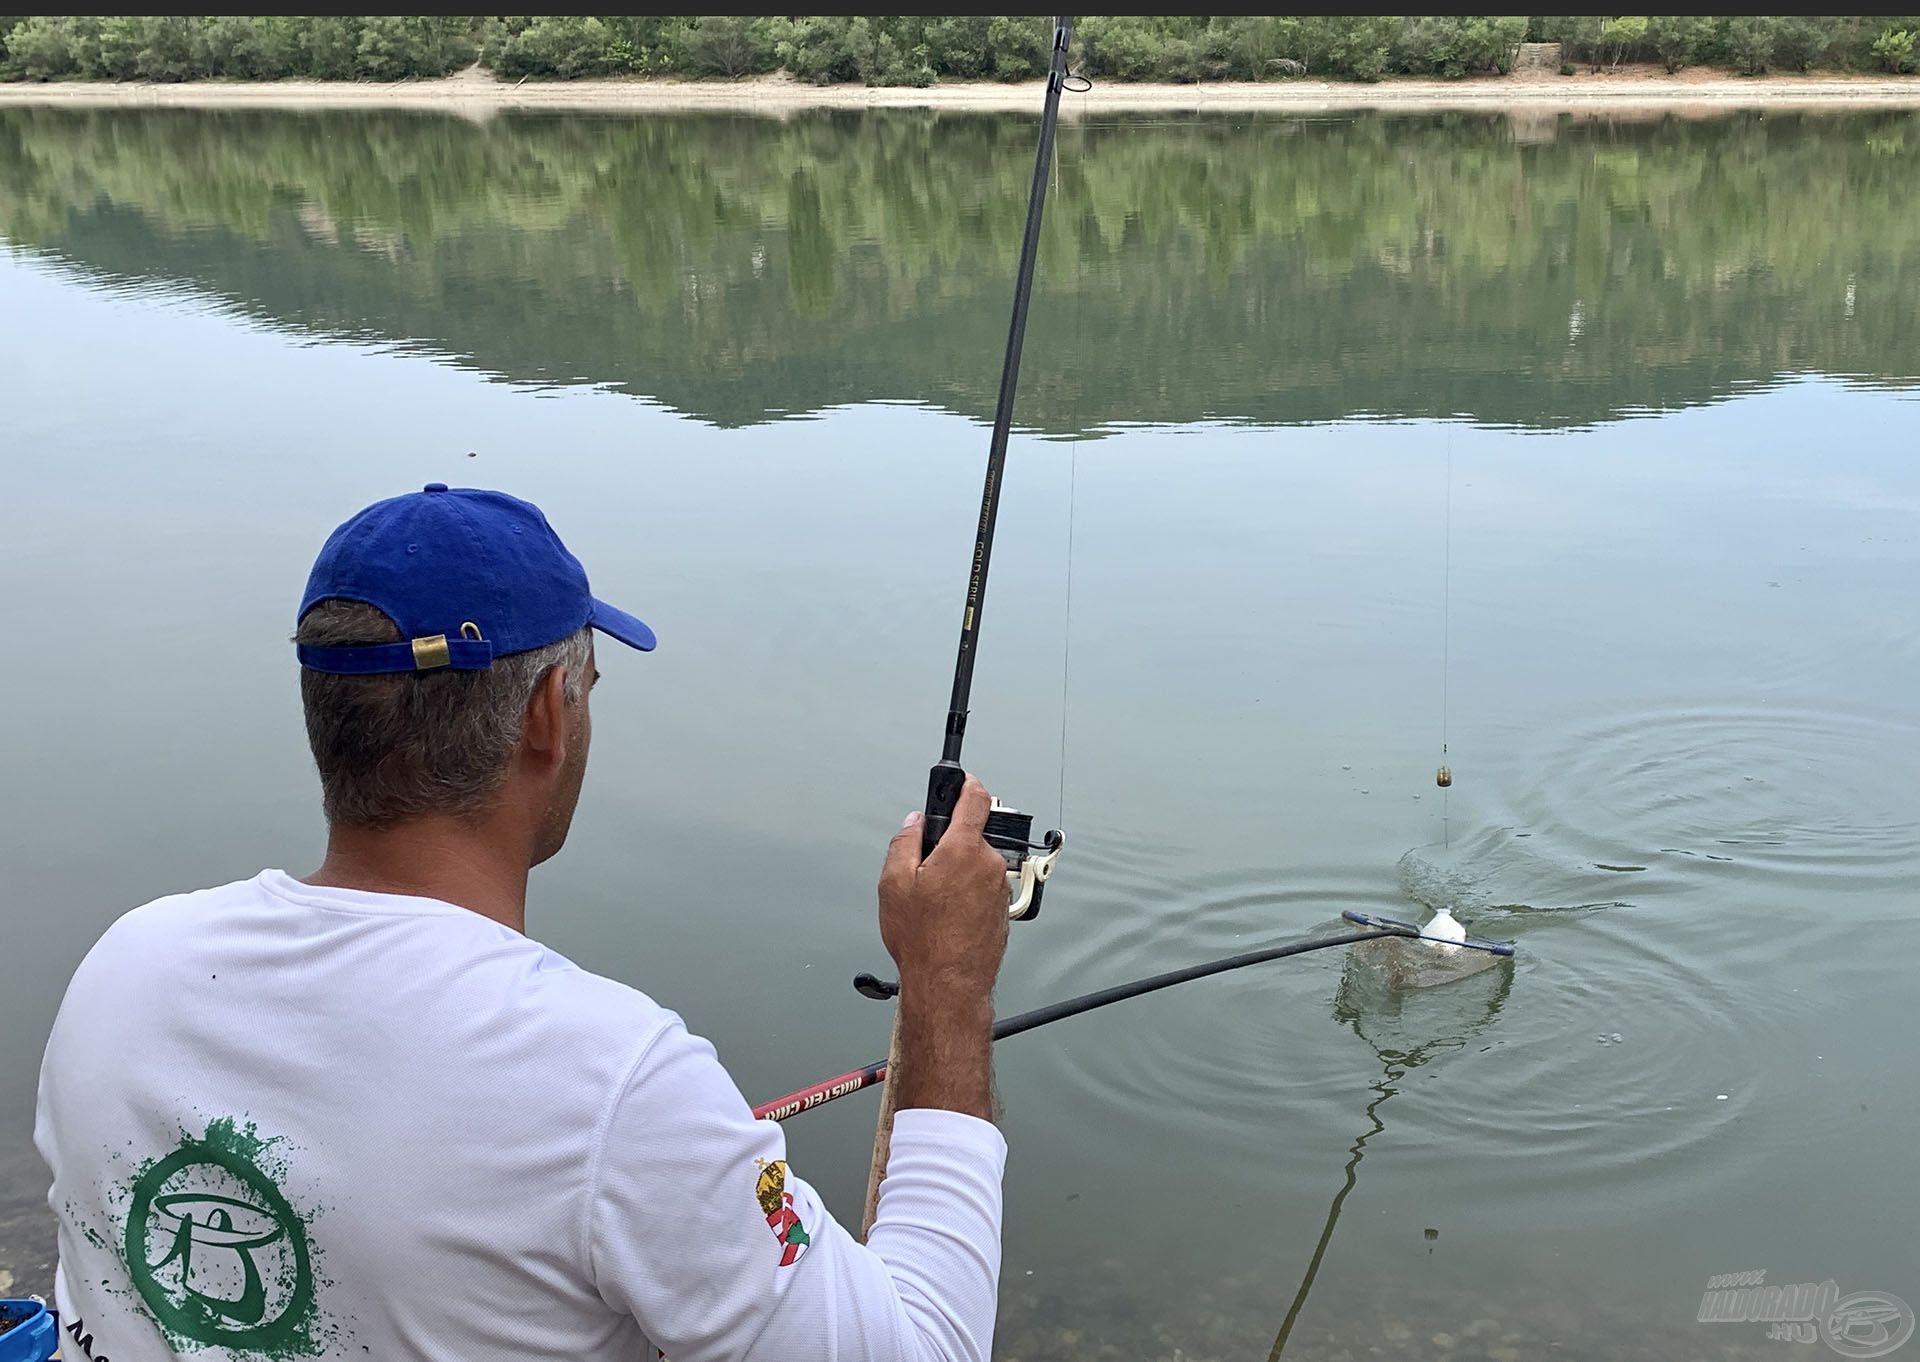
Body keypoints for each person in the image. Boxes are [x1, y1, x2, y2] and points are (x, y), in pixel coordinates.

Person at [36, 484, 1015, 1362]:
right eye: (588, 686)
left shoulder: (125, 971)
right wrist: (946, 981)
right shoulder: (612, 1084)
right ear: (551, 712)